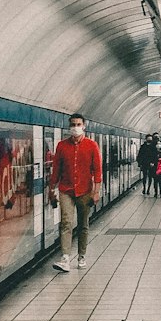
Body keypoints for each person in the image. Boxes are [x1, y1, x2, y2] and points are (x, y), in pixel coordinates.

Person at [48, 112, 102, 272]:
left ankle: (81, 255)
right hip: (66, 190)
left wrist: (96, 191)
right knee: (66, 222)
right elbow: (56, 169)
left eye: (78, 125)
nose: (75, 128)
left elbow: (97, 171)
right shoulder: (62, 146)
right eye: (72, 124)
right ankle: (65, 257)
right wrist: (51, 189)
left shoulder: (92, 145)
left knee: (83, 224)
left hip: (85, 190)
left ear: (84, 126)